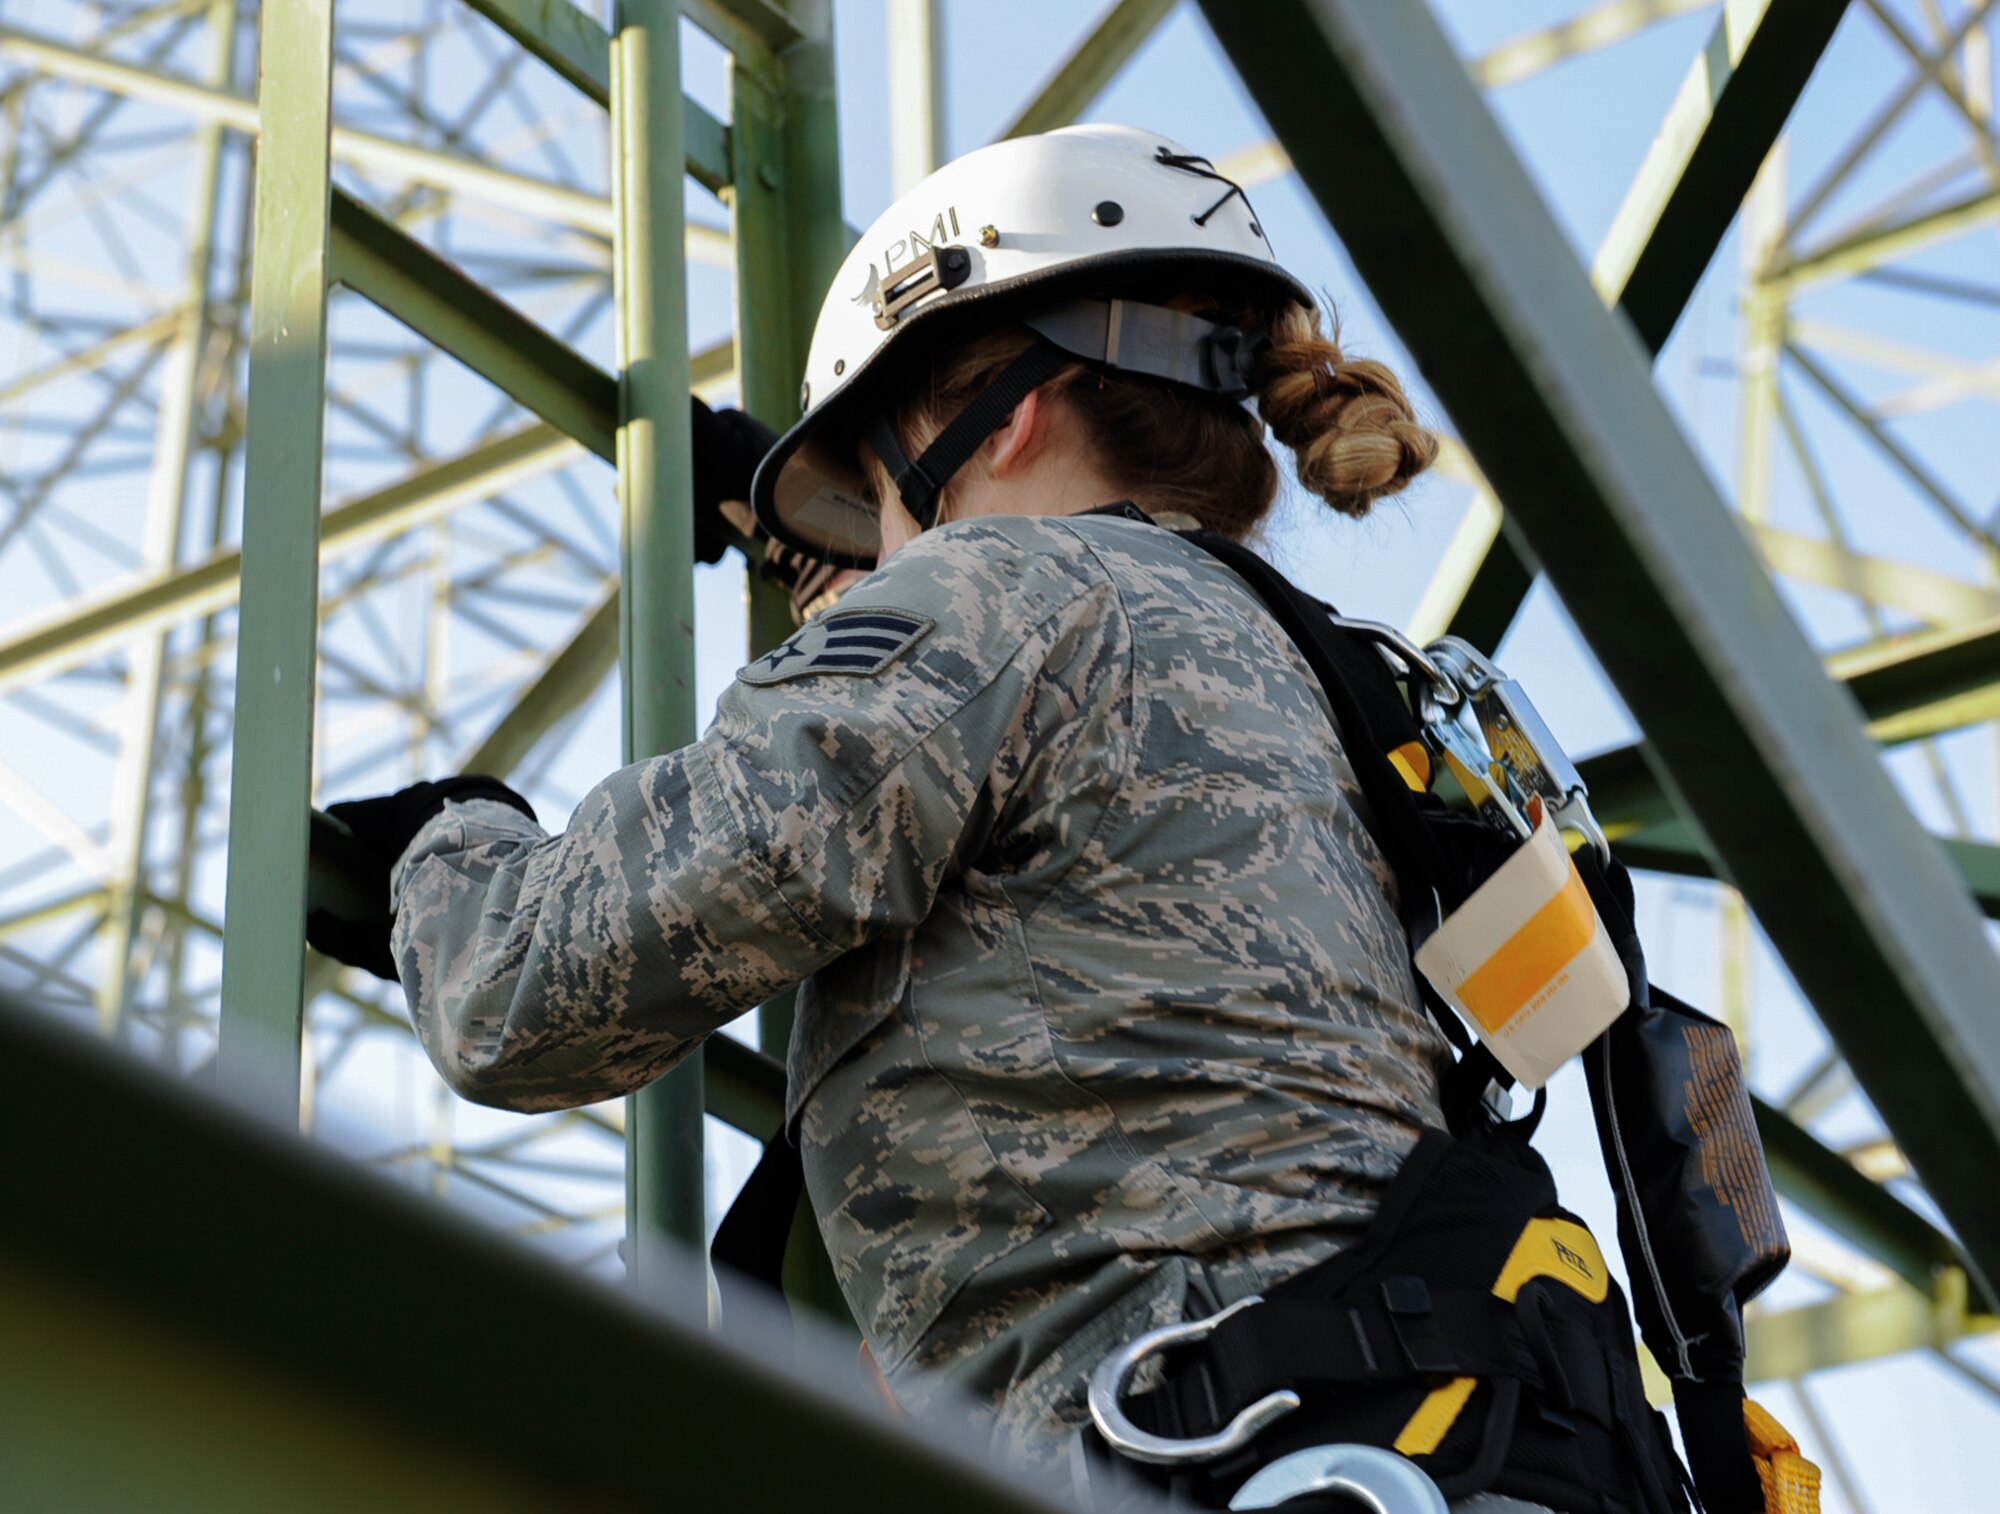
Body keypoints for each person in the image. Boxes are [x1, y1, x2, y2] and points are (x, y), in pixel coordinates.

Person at [312, 126, 1696, 1513]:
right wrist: (827, 528)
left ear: (1012, 415)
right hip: (1443, 1444)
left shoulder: (1000, 594)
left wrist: (447, 847)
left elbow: (530, 990)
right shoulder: (1367, 689)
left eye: (879, 483)